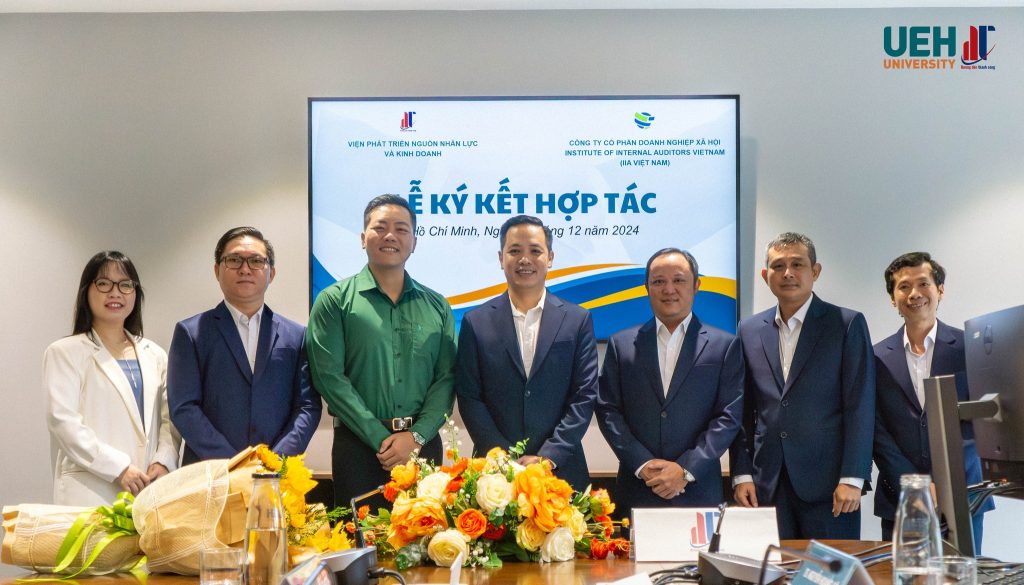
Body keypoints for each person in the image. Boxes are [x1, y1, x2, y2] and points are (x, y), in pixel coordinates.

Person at [306, 194, 456, 506]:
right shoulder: (334, 301)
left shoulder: (437, 305)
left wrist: (415, 437)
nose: (390, 236)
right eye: (380, 227)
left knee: (427, 534)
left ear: (414, 242)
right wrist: (381, 438)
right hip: (358, 448)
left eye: (401, 229)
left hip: (422, 446)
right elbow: (329, 378)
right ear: (363, 238)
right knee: (359, 535)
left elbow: (447, 378)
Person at [730, 232, 875, 539]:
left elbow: (860, 405)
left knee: (829, 566)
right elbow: (742, 410)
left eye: (797, 264)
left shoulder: (845, 324)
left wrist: (853, 477)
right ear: (765, 275)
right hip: (767, 483)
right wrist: (741, 473)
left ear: (815, 271)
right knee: (773, 564)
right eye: (778, 266)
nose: (788, 273)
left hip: (831, 486)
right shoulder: (749, 329)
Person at [455, 215, 598, 491]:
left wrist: (549, 456)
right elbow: (470, 396)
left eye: (535, 251)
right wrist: (503, 458)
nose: (524, 259)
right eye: (514, 251)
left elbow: (584, 395)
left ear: (550, 257)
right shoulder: (476, 321)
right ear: (501, 258)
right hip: (493, 476)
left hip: (561, 471)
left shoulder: (577, 320)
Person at [597, 248, 743, 515]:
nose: (668, 289)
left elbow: (728, 416)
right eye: (658, 281)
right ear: (647, 287)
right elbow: (608, 411)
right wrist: (642, 464)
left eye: (678, 280)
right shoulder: (621, 344)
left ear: (696, 285)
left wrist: (685, 469)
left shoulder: (725, 346)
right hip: (638, 488)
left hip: (697, 490)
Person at [168, 227, 321, 464]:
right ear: (217, 270)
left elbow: (307, 406)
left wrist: (274, 461)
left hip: (276, 473)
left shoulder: (296, 335)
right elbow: (184, 407)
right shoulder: (191, 332)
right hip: (211, 471)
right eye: (234, 260)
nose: (245, 269)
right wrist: (235, 463)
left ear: (271, 273)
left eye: (256, 261)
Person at [872, 251, 993, 552]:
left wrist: (947, 483)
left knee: (961, 573)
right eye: (903, 287)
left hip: (964, 494)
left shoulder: (970, 348)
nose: (914, 293)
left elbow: (984, 420)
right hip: (901, 497)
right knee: (903, 574)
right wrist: (915, 484)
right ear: (892, 298)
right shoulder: (875, 357)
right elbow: (875, 430)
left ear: (940, 290)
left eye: (923, 284)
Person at [45, 251, 180, 505]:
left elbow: (170, 419)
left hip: (147, 489)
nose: (115, 293)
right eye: (104, 283)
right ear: (86, 291)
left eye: (125, 285)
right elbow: (63, 422)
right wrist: (118, 468)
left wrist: (164, 460)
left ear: (135, 293)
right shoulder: (64, 352)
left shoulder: (155, 354)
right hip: (91, 490)